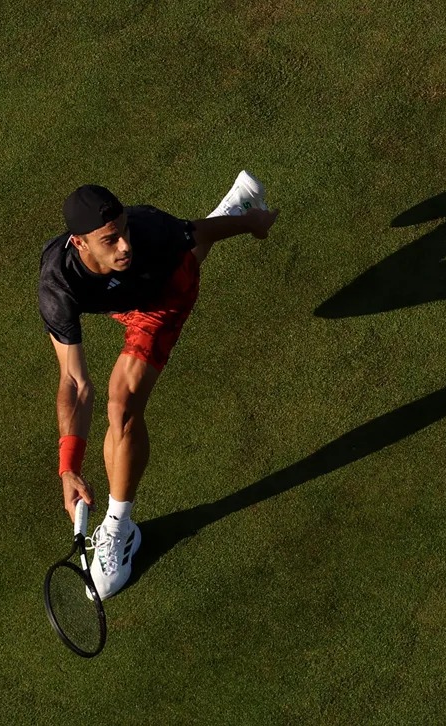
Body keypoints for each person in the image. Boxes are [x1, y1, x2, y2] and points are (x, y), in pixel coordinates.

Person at [38, 183, 279, 598]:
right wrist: (69, 467)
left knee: (122, 405)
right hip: (125, 297)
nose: (124, 245)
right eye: (109, 240)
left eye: (124, 231)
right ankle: (235, 202)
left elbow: (198, 234)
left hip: (164, 297)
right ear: (78, 243)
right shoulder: (57, 286)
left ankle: (120, 528)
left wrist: (253, 225)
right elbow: (75, 382)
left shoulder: (149, 230)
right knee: (172, 256)